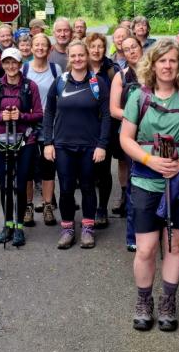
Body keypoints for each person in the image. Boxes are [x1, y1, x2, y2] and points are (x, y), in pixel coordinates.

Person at [120, 38, 179, 331]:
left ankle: (168, 300)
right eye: (162, 60)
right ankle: (144, 301)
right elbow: (125, 138)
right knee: (145, 248)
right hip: (146, 181)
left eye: (172, 61)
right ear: (152, 65)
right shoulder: (138, 97)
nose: (167, 66)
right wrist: (149, 160)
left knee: (174, 245)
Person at [43, 40, 111, 248]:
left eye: (81, 55)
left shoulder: (97, 83)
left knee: (88, 187)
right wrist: (48, 142)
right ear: (68, 58)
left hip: (89, 146)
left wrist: (102, 145)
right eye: (73, 56)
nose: (78, 59)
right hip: (63, 145)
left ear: (87, 56)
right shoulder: (60, 81)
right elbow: (49, 112)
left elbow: (107, 116)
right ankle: (67, 229)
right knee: (66, 189)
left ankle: (88, 228)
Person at [0, 48, 44, 246]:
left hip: (25, 141)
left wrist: (22, 116)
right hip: (1, 141)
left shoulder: (30, 86)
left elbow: (38, 113)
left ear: (20, 64)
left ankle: (19, 226)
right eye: (6, 62)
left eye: (14, 62)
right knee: (5, 185)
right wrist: (1, 116)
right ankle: (7, 225)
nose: (10, 66)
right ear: (2, 64)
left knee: (20, 184)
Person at [110, 33, 145, 251]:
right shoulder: (120, 76)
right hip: (131, 136)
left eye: (134, 46)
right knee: (134, 185)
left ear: (141, 47)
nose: (131, 51)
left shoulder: (154, 71)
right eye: (126, 48)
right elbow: (114, 110)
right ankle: (133, 236)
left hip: (154, 135)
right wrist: (137, 116)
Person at [23, 33, 62, 226]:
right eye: (36, 45)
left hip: (50, 124)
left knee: (48, 167)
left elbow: (61, 96)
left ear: (49, 49)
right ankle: (28, 206)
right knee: (28, 168)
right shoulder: (24, 69)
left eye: (43, 45)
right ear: (31, 48)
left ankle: (47, 206)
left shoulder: (56, 69)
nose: (40, 48)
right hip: (28, 125)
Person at [86, 32, 118, 230]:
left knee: (103, 170)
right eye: (93, 46)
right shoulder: (80, 67)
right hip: (84, 126)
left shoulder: (112, 70)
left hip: (106, 126)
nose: (96, 50)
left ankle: (102, 208)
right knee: (87, 171)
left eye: (100, 46)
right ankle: (89, 209)